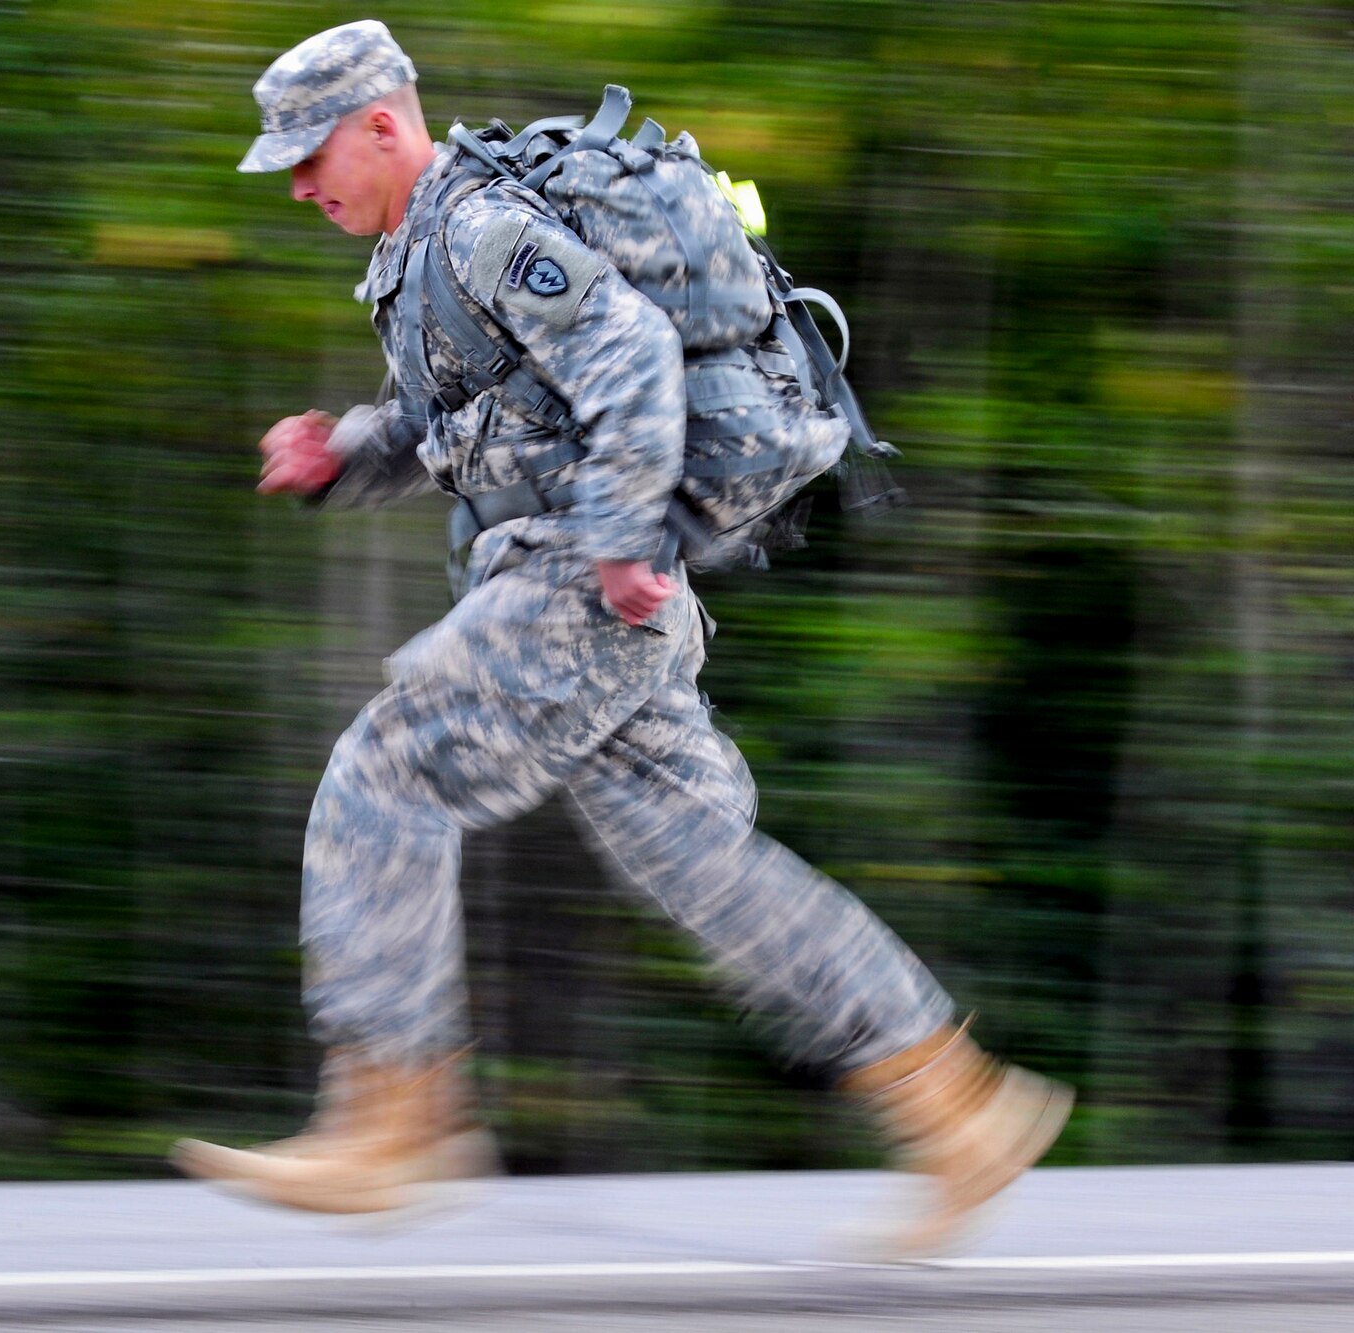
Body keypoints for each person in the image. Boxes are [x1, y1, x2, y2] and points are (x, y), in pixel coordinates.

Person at [172, 19, 1071, 1257]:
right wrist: (343, 454)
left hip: (581, 583)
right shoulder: (418, 250)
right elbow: (475, 426)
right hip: (583, 582)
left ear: (384, 122)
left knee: (384, 775)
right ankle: (951, 1102)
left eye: (310, 152)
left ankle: (396, 1118)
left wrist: (617, 535)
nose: (296, 182)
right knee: (705, 867)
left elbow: (629, 350)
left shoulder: (478, 228)